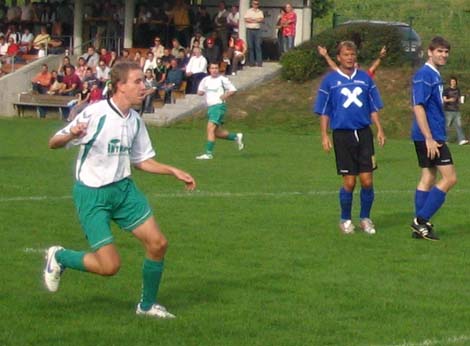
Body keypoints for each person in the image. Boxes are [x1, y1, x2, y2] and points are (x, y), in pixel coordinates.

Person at [43, 60, 196, 319]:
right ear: (119, 86)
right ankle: (60, 257)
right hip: (93, 195)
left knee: (158, 243)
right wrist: (71, 135)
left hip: (124, 191)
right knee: (109, 266)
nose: (143, 86)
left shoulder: (135, 120)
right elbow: (53, 142)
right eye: (137, 81)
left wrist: (172, 170)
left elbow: (140, 160)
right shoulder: (96, 113)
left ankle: (146, 306)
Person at [313, 41, 386, 235]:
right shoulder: (330, 81)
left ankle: (365, 218)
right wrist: (324, 135)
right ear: (339, 57)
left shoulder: (365, 79)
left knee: (367, 180)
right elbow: (324, 111)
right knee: (349, 182)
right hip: (342, 135)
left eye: (352, 54)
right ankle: (345, 219)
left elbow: (373, 107)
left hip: (363, 134)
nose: (350, 58)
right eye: (346, 55)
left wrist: (379, 129)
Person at [410, 36, 457, 241]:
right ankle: (421, 220)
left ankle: (420, 228)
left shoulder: (434, 75)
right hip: (429, 136)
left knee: (428, 177)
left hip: (431, 134)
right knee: (450, 178)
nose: (443, 55)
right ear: (430, 52)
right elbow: (418, 105)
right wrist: (429, 137)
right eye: (439, 51)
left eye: (446, 51)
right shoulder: (424, 75)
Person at [195, 63, 244, 160]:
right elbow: (200, 91)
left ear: (218, 69)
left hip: (218, 106)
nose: (214, 70)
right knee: (215, 133)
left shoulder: (222, 79)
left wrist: (225, 96)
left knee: (210, 129)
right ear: (209, 70)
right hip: (210, 107)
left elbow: (233, 90)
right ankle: (236, 137)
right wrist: (200, 92)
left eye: (216, 68)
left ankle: (208, 154)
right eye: (212, 68)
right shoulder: (205, 80)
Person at [318, 45, 387, 79]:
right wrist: (326, 55)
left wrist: (380, 57)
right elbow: (334, 66)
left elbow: (374, 67)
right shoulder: (342, 75)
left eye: (356, 66)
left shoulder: (364, 77)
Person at [443, 76, 468, 145]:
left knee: (459, 125)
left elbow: (459, 99)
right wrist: (449, 100)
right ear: (450, 83)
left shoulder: (458, 90)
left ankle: (461, 140)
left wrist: (462, 99)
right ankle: (444, 139)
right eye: (452, 82)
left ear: (456, 82)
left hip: (456, 110)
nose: (453, 83)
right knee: (447, 126)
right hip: (448, 110)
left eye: (454, 82)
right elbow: (444, 99)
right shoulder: (446, 90)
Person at [244, 0, 264, 67]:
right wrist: (256, 20)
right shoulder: (248, 11)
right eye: (255, 4)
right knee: (250, 47)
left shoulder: (260, 12)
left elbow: (261, 19)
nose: (256, 5)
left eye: (257, 4)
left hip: (257, 30)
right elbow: (246, 19)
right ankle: (252, 62)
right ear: (252, 4)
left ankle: (259, 62)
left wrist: (252, 20)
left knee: (258, 46)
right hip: (249, 30)